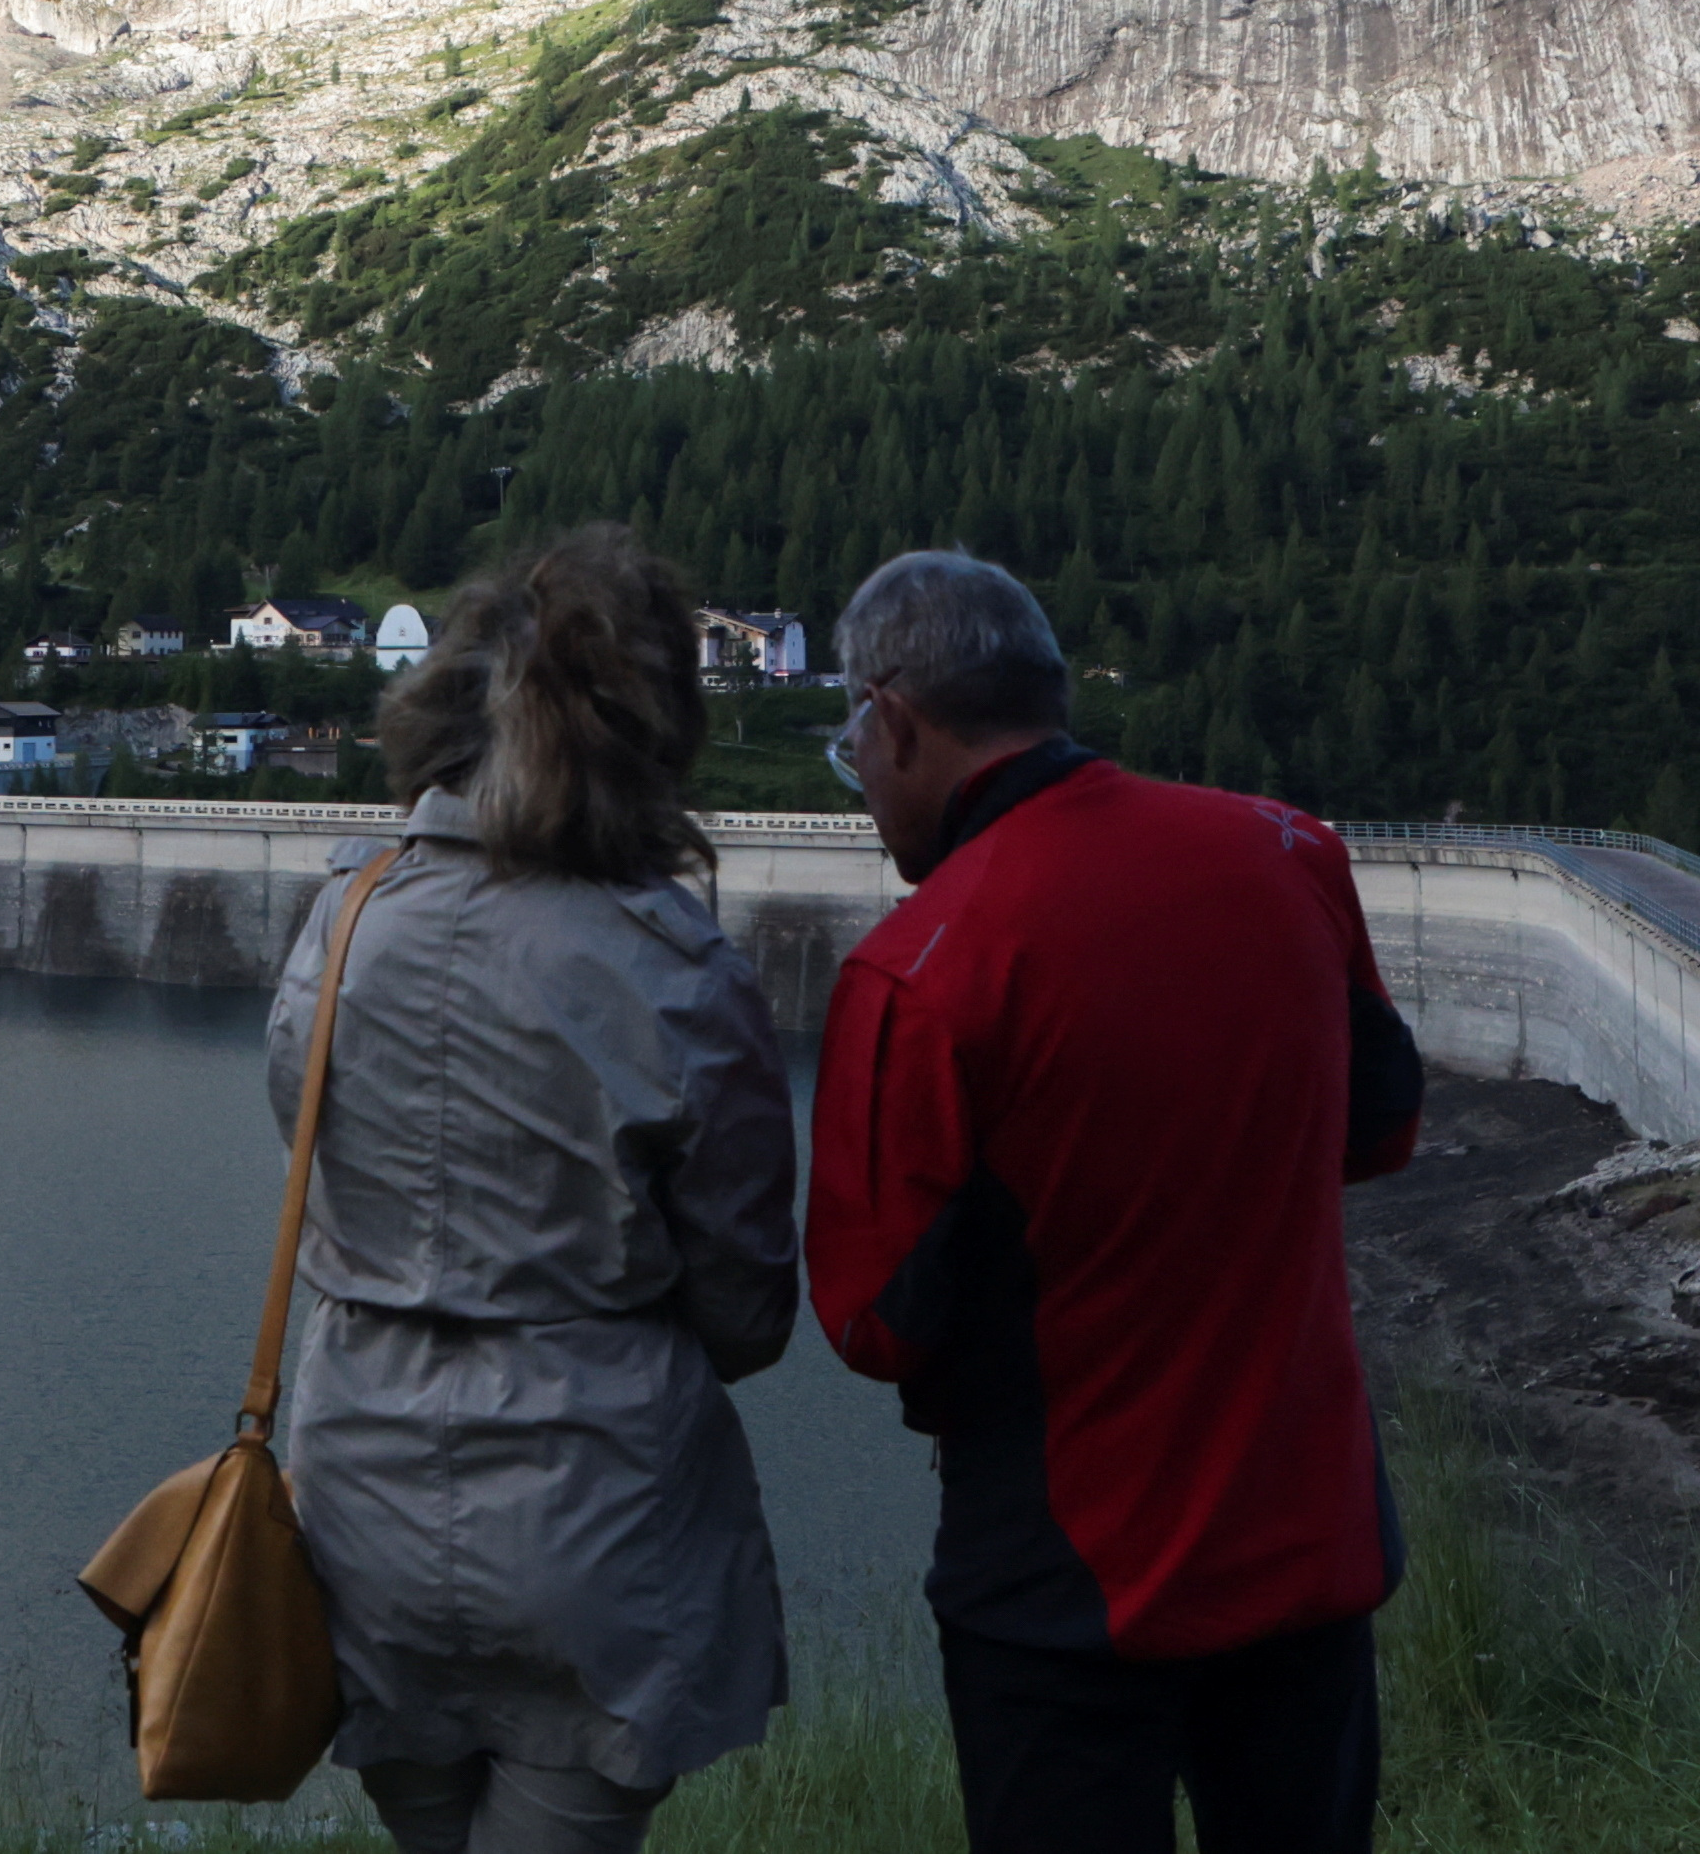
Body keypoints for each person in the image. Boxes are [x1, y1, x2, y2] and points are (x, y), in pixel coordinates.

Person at [806, 549, 1425, 1854]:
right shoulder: (1289, 852)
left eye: (849, 745)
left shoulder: (919, 968)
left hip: (1066, 1595)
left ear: (896, 723)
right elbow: (1380, 1127)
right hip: (1307, 1546)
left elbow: (875, 1323)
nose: (857, 780)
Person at [266, 526, 801, 1854]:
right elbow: (748, 1310)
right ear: (649, 731)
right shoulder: (674, 966)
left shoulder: (344, 923)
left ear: (437, 710)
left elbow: (306, 1143)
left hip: (360, 1499)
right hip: (595, 1513)